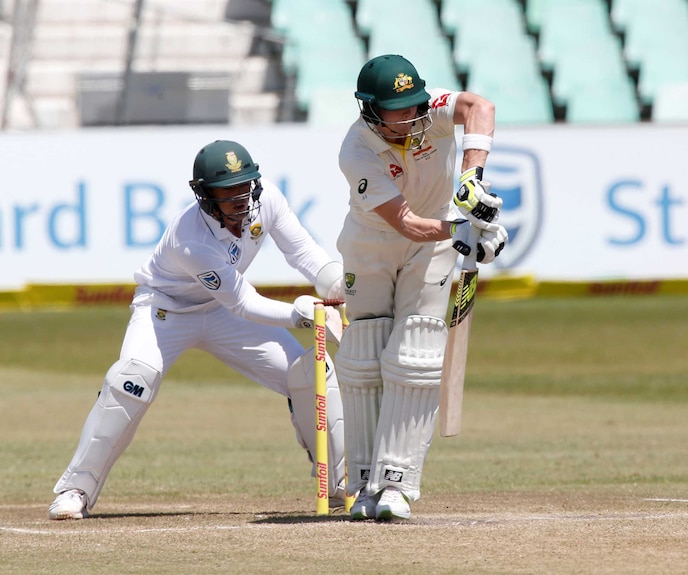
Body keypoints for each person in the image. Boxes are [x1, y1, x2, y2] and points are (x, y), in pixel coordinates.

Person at [48, 140, 347, 520]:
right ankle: (76, 489)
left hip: (220, 313)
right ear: (205, 196)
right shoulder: (191, 240)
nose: (241, 199)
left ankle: (339, 482)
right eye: (227, 192)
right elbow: (242, 301)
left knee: (311, 371)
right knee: (132, 381)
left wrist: (338, 285)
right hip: (165, 310)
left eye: (245, 186)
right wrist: (296, 314)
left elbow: (303, 251)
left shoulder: (266, 197)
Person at [335, 54, 508, 520]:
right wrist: (465, 231)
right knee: (363, 355)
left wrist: (471, 179)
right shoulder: (357, 150)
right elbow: (408, 223)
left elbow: (480, 107)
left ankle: (396, 484)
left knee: (416, 353)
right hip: (373, 243)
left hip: (429, 251)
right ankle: (363, 483)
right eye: (399, 110)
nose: (412, 117)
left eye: (416, 105)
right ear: (370, 110)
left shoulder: (427, 112)